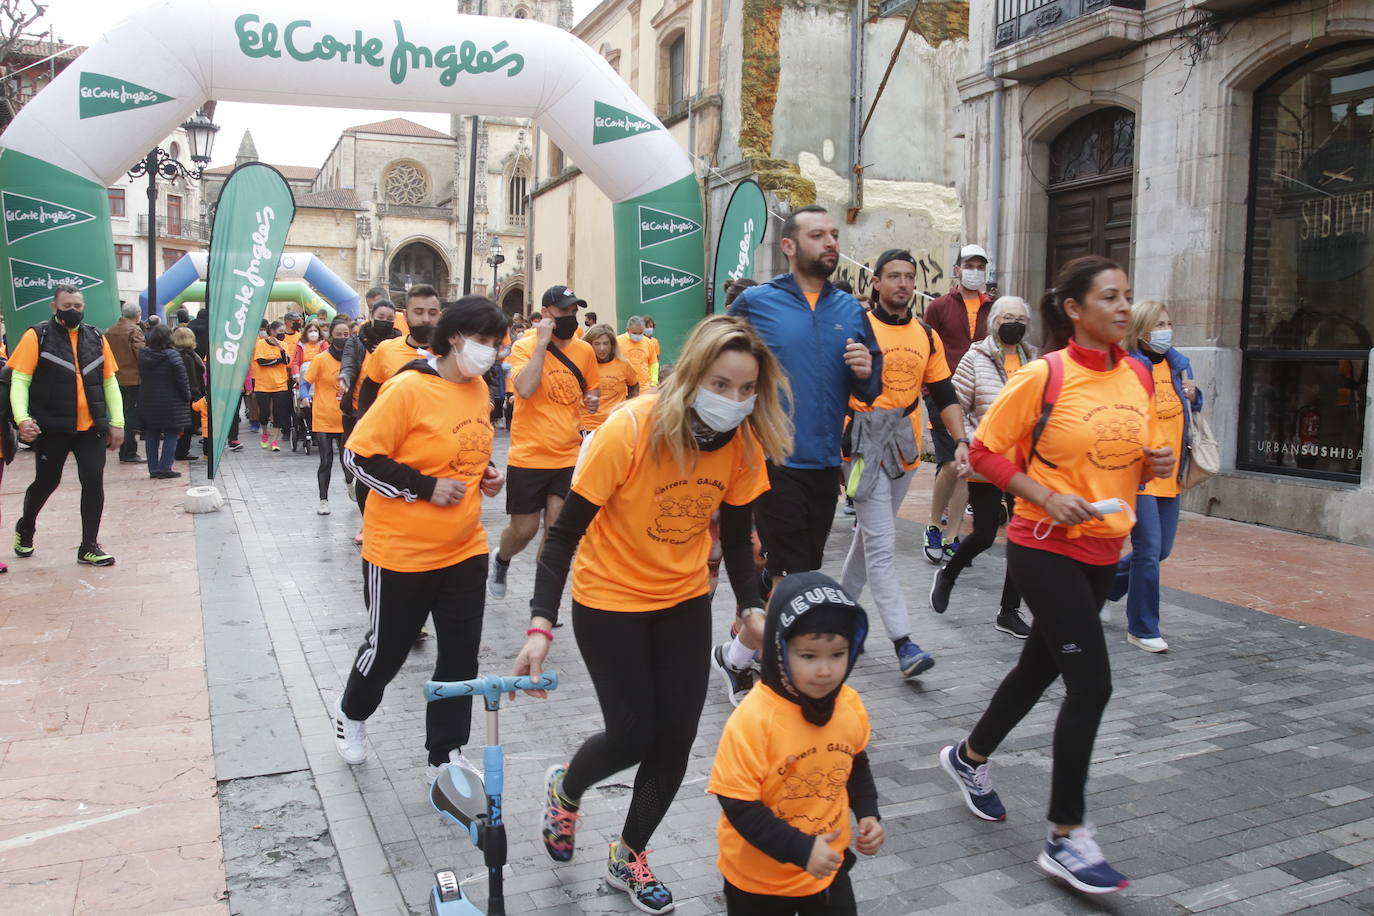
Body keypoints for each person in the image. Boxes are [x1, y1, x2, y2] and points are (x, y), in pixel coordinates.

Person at [510, 315, 791, 914]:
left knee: (678, 737)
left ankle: (629, 853)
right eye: (722, 384)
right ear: (691, 376)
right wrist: (539, 624)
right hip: (608, 599)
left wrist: (751, 607)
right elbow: (562, 538)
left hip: (685, 597)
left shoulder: (742, 442)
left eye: (747, 390)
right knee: (634, 733)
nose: (735, 401)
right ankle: (567, 788)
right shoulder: (630, 430)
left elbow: (738, 541)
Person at [938, 256, 1173, 895]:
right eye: (1109, 297)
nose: (1124, 308)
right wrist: (1042, 497)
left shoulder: (1140, 376)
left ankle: (968, 757)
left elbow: (1135, 464)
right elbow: (982, 452)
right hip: (1043, 546)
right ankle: (1066, 836)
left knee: (1039, 668)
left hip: (1104, 548)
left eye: (1128, 296)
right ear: (1074, 308)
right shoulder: (1045, 374)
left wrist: (1156, 460)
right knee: (1091, 685)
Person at [334, 297, 508, 783]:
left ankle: (445, 755)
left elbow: (463, 451)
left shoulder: (478, 391)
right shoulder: (408, 388)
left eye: (497, 344)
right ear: (455, 337)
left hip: (464, 548)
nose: (492, 353)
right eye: (485, 342)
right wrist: (427, 487)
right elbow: (360, 458)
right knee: (387, 650)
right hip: (401, 554)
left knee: (460, 655)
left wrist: (486, 474)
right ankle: (352, 713)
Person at [719, 204, 880, 704]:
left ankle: (735, 656)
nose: (831, 242)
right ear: (789, 246)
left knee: (800, 570)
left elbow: (872, 388)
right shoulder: (756, 303)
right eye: (818, 235)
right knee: (795, 580)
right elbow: (718, 360)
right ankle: (779, 686)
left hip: (825, 462)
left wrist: (863, 369)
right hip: (771, 458)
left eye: (834, 235)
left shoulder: (852, 311)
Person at [708, 572, 884, 915]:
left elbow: (855, 764)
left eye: (837, 654)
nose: (824, 670)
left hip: (827, 869)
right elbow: (737, 804)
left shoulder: (849, 706)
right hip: (758, 881)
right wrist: (800, 848)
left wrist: (868, 813)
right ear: (779, 649)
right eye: (808, 655)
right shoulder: (754, 719)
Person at [839, 249, 967, 679]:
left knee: (868, 539)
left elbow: (944, 393)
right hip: (860, 446)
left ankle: (834, 617)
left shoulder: (926, 335)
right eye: (893, 276)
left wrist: (962, 440)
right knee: (881, 543)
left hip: (906, 448)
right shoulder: (855, 327)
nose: (903, 284)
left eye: (909, 277)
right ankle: (903, 642)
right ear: (875, 282)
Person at [930, 295, 1036, 638]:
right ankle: (948, 575)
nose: (1014, 323)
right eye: (1008, 317)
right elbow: (954, 406)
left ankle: (1008, 611)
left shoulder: (1035, 360)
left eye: (1020, 318)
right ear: (994, 322)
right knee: (987, 534)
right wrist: (969, 443)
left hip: (1024, 465)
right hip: (988, 459)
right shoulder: (974, 359)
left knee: (1021, 540)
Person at [486, 285, 600, 599]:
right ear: (547, 313)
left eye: (574, 310)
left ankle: (543, 598)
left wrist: (592, 399)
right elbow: (523, 388)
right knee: (524, 530)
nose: (571, 316)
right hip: (529, 455)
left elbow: (593, 387)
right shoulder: (524, 346)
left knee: (555, 532)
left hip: (567, 456)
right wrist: (542, 344)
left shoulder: (584, 350)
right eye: (564, 310)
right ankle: (501, 557)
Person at [1108, 299, 1202, 653]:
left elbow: (1185, 405)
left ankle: (1104, 588)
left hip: (1171, 471)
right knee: (1147, 549)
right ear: (1141, 331)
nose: (1166, 329)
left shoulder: (1178, 366)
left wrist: (1197, 396)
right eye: (1159, 324)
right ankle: (1143, 627)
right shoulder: (1130, 367)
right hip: (1141, 472)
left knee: (1161, 550)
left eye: (1168, 322)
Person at [8, 286, 125, 566]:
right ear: (54, 307)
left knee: (93, 480)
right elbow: (20, 380)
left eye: (77, 305)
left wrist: (117, 422)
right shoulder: (37, 336)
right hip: (52, 427)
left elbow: (109, 381)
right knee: (47, 482)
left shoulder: (96, 337)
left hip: (91, 429)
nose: (72, 310)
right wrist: (22, 418)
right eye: (67, 305)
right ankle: (26, 528)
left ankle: (89, 545)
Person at [921, 243, 993, 564]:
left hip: (979, 399)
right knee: (950, 463)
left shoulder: (994, 308)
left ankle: (952, 536)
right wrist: (927, 392)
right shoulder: (938, 307)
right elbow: (927, 348)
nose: (975, 270)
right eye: (969, 264)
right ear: (957, 269)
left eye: (980, 265)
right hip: (944, 394)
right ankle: (934, 525)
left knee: (967, 468)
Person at [304, 317, 352, 515]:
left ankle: (350, 483)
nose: (342, 338)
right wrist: (304, 395)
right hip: (324, 417)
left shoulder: (354, 359)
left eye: (346, 335)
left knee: (347, 460)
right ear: (331, 335)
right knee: (326, 460)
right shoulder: (321, 359)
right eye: (338, 334)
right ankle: (323, 500)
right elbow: (306, 381)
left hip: (346, 417)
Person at [137, 325, 192, 479]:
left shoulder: (143, 355)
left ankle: (153, 469)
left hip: (148, 399)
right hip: (171, 401)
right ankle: (165, 467)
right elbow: (182, 380)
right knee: (171, 433)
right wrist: (186, 396)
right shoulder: (172, 356)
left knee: (152, 433)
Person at [106, 303, 145, 464]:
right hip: (133, 379)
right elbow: (141, 355)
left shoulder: (110, 330)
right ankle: (128, 451)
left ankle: (124, 450)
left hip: (115, 378)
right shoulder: (134, 331)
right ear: (137, 315)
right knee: (131, 416)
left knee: (119, 415)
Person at [581, 324, 639, 432]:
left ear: (612, 344)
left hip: (614, 424)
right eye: (597, 344)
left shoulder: (623, 364)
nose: (602, 348)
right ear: (589, 345)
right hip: (587, 425)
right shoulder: (582, 365)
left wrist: (629, 407)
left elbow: (634, 385)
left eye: (606, 343)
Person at [251, 320, 292, 451]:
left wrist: (280, 348)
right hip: (263, 384)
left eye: (283, 332)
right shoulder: (261, 344)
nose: (282, 334)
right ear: (272, 332)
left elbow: (286, 361)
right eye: (280, 332)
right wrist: (278, 360)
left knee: (278, 412)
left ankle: (274, 441)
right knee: (264, 413)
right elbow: (262, 362)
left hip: (280, 384)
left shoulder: (284, 344)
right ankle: (264, 433)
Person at [171, 327, 206, 461]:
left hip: (185, 395)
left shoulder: (180, 354)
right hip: (190, 396)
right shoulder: (187, 356)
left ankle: (181, 451)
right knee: (188, 425)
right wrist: (198, 397)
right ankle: (181, 452)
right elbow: (192, 379)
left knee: (186, 425)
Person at [618, 316, 659, 391]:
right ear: (627, 330)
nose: (637, 335)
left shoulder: (648, 342)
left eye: (640, 333)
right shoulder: (618, 341)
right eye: (634, 333)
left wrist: (654, 383)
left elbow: (653, 364)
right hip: (624, 388)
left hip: (644, 388)